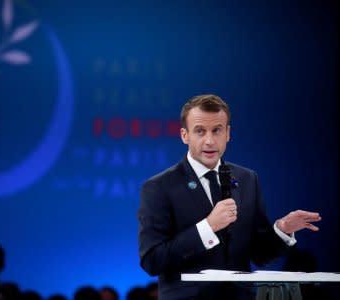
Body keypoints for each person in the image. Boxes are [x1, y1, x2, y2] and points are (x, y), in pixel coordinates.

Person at [137, 94, 322, 300]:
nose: (209, 140)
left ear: (228, 133)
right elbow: (152, 261)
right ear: (184, 135)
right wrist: (208, 227)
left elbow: (259, 254)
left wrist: (282, 229)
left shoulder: (247, 179)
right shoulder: (159, 187)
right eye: (200, 131)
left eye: (217, 130)